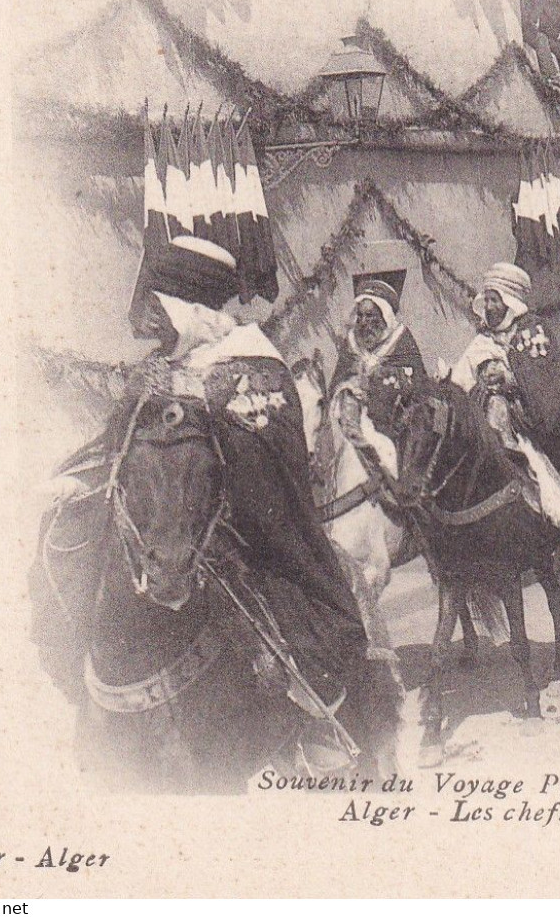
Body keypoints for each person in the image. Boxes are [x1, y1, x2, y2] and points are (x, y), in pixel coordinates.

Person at [124, 236, 383, 764]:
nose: (160, 331)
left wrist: (201, 418)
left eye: (167, 317)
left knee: (279, 624)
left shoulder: (251, 367)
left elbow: (263, 472)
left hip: (255, 535)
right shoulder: (179, 365)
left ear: (193, 311)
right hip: (177, 527)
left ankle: (318, 724)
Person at [450, 263, 560, 590]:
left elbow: (548, 381)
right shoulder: (481, 341)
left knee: (558, 480)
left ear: (510, 301)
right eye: (486, 301)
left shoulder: (533, 332)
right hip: (493, 426)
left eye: (495, 300)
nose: (489, 307)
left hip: (534, 423)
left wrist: (512, 380)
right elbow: (461, 381)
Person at [330, 270, 426, 435]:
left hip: (392, 427)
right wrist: (348, 388)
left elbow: (417, 385)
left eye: (370, 316)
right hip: (353, 422)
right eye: (360, 316)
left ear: (384, 316)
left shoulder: (400, 339)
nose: (364, 323)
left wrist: (382, 381)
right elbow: (337, 381)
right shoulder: (352, 341)